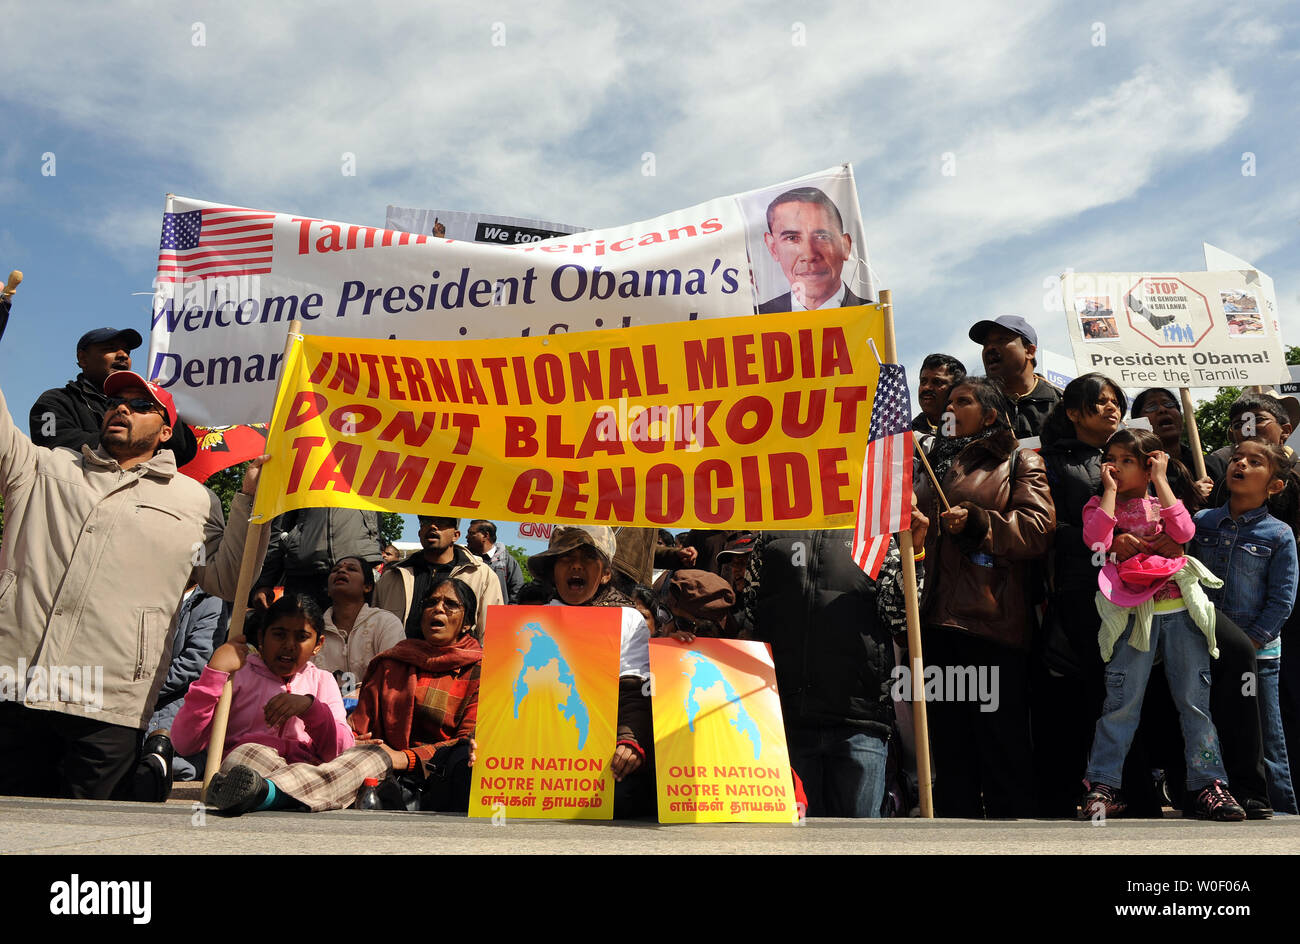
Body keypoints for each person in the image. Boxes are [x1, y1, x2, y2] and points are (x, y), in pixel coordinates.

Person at [0, 369, 265, 800]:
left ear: (165, 431)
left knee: (91, 840)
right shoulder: (41, 467)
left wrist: (251, 502)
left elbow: (227, 579)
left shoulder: (194, 501)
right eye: (115, 402)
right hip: (13, 685)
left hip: (111, 699)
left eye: (141, 404)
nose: (121, 408)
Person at [1079, 430, 1241, 821]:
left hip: (1179, 614)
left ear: (1150, 463)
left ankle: (1209, 785)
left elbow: (1185, 532)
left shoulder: (1161, 501)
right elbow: (1095, 540)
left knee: (1194, 703)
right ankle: (1103, 786)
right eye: (1109, 457)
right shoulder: (1100, 504)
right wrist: (1113, 506)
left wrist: (1161, 481)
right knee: (1121, 704)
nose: (1114, 466)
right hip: (1131, 617)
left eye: (1127, 460)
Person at [913, 377, 1054, 817]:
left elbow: (1037, 530)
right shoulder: (928, 465)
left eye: (963, 401)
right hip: (934, 623)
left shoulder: (1019, 460)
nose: (950, 409)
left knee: (1001, 747)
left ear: (990, 414)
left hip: (990, 625)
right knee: (949, 751)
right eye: (948, 402)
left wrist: (979, 523)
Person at [742, 509, 926, 818]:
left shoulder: (874, 530)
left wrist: (915, 552)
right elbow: (751, 612)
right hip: (787, 723)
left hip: (859, 723)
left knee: (860, 846)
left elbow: (902, 619)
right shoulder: (771, 528)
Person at [176, 595, 390, 814]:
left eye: (302, 637)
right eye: (279, 635)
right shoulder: (236, 674)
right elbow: (185, 743)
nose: (289, 646)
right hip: (255, 766)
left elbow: (339, 750)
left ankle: (269, 794)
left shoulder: (323, 680)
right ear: (261, 636)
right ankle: (290, 795)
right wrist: (215, 673)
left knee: (375, 755)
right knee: (246, 753)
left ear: (318, 645)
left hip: (309, 769)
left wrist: (310, 708)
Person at [1189, 439, 1299, 816]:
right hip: (1203, 648)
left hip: (1257, 657)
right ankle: (1217, 799)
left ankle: (1279, 810)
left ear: (1275, 486)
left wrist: (1249, 644)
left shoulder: (1279, 534)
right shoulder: (1200, 523)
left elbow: (1282, 601)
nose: (1241, 465)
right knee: (1209, 728)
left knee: (1264, 737)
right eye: (1237, 458)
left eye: (1255, 462)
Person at [527, 525, 656, 818]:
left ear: (606, 573)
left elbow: (635, 690)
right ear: (552, 571)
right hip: (537, 754)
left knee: (623, 795)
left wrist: (630, 741)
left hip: (601, 756)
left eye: (587, 557)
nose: (575, 565)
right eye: (564, 558)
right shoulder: (529, 621)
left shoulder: (628, 620)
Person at [349, 577, 483, 812]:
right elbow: (359, 727)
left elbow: (468, 742)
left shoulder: (482, 669)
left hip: (447, 777)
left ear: (466, 623)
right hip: (382, 768)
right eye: (431, 603)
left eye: (450, 604)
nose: (438, 608)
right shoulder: (390, 662)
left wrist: (406, 758)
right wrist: (358, 740)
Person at [29, 326, 198, 464]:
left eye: (127, 351)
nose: (123, 355)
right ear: (83, 359)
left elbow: (184, 451)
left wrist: (159, 402)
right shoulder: (55, 401)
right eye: (110, 349)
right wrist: (135, 441)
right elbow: (52, 443)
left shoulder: (148, 404)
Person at [135, 573, 230, 794]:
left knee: (166, 738)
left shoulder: (210, 600)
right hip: (133, 689)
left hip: (173, 694)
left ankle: (160, 763)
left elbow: (194, 663)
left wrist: (146, 688)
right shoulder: (146, 589)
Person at [375, 516, 503, 641]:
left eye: (442, 522)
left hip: (459, 662)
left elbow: (491, 635)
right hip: (398, 660)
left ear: (456, 535)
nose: (433, 526)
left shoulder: (482, 576)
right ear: (419, 533)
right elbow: (373, 630)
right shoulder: (392, 576)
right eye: (425, 522)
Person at [757, 187, 867, 313]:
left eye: (822, 237)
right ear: (773, 248)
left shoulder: (876, 319)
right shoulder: (752, 321)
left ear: (845, 246)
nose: (809, 255)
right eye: (792, 238)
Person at [252, 507, 383, 612]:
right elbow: (280, 527)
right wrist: (266, 582)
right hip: (304, 575)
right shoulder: (299, 473)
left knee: (356, 639)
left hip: (356, 572)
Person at [315, 556, 405, 686]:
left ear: (367, 587)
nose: (341, 572)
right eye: (335, 570)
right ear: (328, 590)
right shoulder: (314, 630)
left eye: (351, 569)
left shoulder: (386, 623)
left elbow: (393, 679)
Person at [968, 315, 1061, 440]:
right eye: (986, 344)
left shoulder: (1062, 402)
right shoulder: (973, 405)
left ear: (1029, 351)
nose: (990, 348)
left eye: (1001, 340)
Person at [1129, 388, 1213, 501]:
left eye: (1169, 404)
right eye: (1151, 407)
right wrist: (1190, 499)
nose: (1162, 410)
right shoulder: (1135, 474)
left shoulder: (1212, 465)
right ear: (1137, 425)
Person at [466, 519, 524, 604]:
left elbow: (517, 592)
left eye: (471, 533)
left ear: (485, 536)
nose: (466, 537)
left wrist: (507, 615)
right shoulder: (464, 559)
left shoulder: (507, 562)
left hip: (498, 616)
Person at [912, 353, 967, 434]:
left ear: (956, 389)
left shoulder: (974, 430)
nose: (926, 387)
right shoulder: (905, 437)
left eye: (937, 382)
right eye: (923, 382)